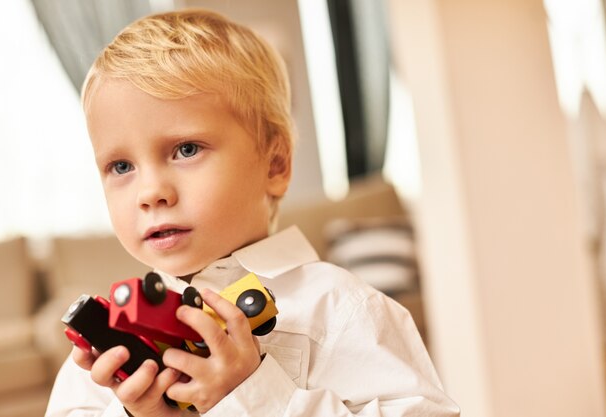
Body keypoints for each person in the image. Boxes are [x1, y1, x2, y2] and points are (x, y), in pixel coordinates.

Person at [45, 8, 460, 417]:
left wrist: (255, 396)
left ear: (275, 165)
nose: (151, 192)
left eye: (186, 149)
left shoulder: (339, 309)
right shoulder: (107, 359)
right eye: (121, 167)